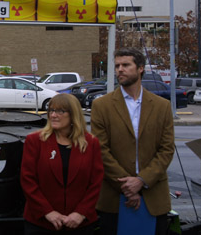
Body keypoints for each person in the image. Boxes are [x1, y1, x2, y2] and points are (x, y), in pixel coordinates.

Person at [91, 47, 175, 235]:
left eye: (126, 65)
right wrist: (126, 186)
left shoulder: (162, 106)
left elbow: (167, 149)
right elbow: (100, 149)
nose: (120, 69)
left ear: (140, 69)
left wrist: (142, 180)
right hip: (114, 199)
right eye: (117, 65)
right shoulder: (102, 105)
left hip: (154, 195)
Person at [21, 93, 104, 234]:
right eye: (51, 110)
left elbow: (96, 182)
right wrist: (47, 211)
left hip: (80, 224)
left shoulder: (91, 143)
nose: (53, 115)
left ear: (73, 114)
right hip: (41, 223)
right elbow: (27, 180)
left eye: (60, 111)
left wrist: (81, 212)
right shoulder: (35, 141)